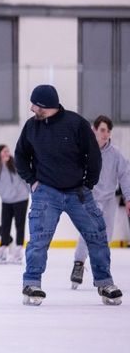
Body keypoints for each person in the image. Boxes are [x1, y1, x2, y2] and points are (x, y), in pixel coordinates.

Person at [15, 84, 122, 306]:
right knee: (39, 239)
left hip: (78, 193)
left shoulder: (76, 124)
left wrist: (88, 184)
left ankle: (105, 282)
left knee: (97, 235)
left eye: (36, 105)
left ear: (48, 105)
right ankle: (32, 283)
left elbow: (93, 155)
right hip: (45, 192)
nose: (32, 108)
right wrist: (32, 180)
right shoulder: (31, 128)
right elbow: (21, 156)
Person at [70, 115, 130, 289]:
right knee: (88, 232)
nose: (106, 134)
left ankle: (102, 272)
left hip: (110, 199)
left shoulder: (116, 154)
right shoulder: (84, 151)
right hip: (89, 197)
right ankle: (79, 264)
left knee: (106, 236)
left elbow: (125, 176)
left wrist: (128, 198)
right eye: (102, 130)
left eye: (108, 131)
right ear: (94, 130)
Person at [0, 145, 30, 264]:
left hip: (21, 198)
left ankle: (18, 252)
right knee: (5, 226)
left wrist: (33, 193)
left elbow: (26, 179)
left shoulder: (16, 164)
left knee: (19, 225)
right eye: (4, 151)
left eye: (8, 151)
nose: (7, 153)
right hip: (6, 201)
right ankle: (2, 250)